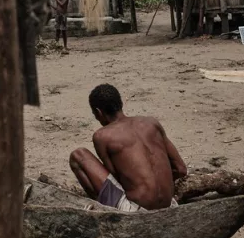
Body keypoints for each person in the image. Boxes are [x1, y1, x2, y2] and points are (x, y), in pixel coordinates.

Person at [69, 84, 187, 212]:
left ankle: (101, 210)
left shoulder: (102, 136)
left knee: (78, 156)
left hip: (135, 210)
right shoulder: (151, 123)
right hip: (169, 206)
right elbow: (181, 169)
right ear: (120, 104)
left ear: (99, 112)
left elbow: (116, 180)